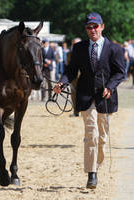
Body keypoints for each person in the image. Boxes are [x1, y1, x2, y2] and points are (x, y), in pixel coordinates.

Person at [53, 12, 126, 189]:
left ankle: (96, 164)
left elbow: (120, 72)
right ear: (86, 29)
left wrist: (110, 86)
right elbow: (71, 71)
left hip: (105, 98)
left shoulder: (115, 49)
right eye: (89, 27)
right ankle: (91, 174)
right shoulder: (78, 48)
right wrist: (62, 83)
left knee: (102, 138)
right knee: (90, 134)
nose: (92, 30)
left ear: (102, 26)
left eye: (95, 26)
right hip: (86, 97)